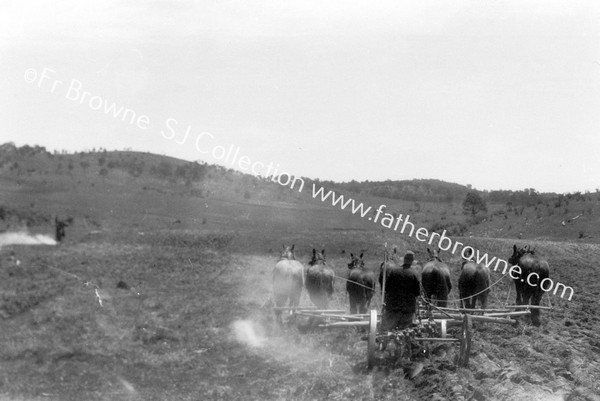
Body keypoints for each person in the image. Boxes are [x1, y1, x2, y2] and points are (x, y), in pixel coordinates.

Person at [380, 251, 421, 331]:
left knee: (388, 330)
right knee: (405, 331)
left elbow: (386, 288)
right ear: (412, 262)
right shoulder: (414, 274)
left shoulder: (393, 271)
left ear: (404, 260)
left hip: (392, 308)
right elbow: (417, 293)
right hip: (407, 310)